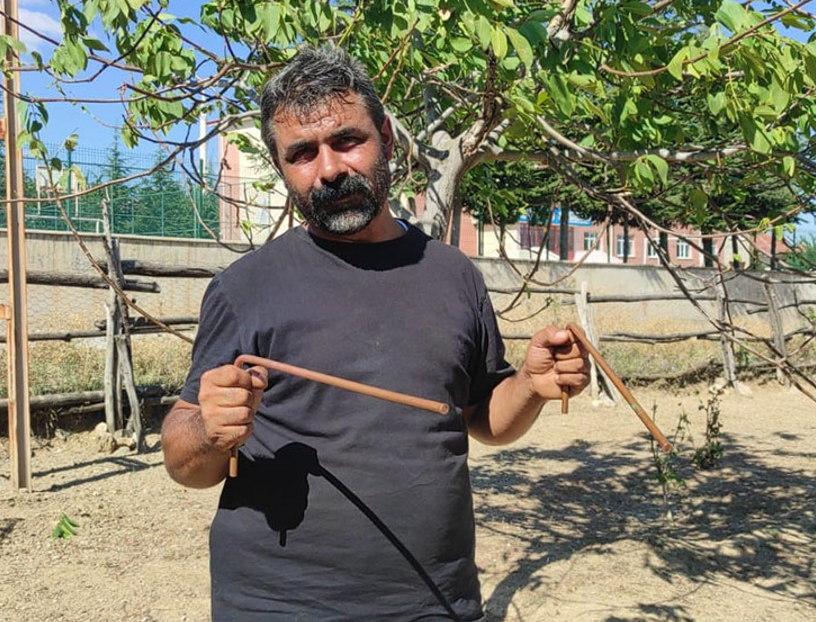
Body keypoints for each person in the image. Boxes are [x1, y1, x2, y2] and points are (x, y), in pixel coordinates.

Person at [162, 45, 591, 621]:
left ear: (386, 137)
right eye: (302, 153)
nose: (330, 169)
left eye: (347, 140)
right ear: (281, 166)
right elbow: (185, 463)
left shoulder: (452, 274)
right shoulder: (246, 288)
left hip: (435, 601)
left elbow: (482, 420)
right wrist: (210, 432)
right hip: (279, 607)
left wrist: (532, 386)